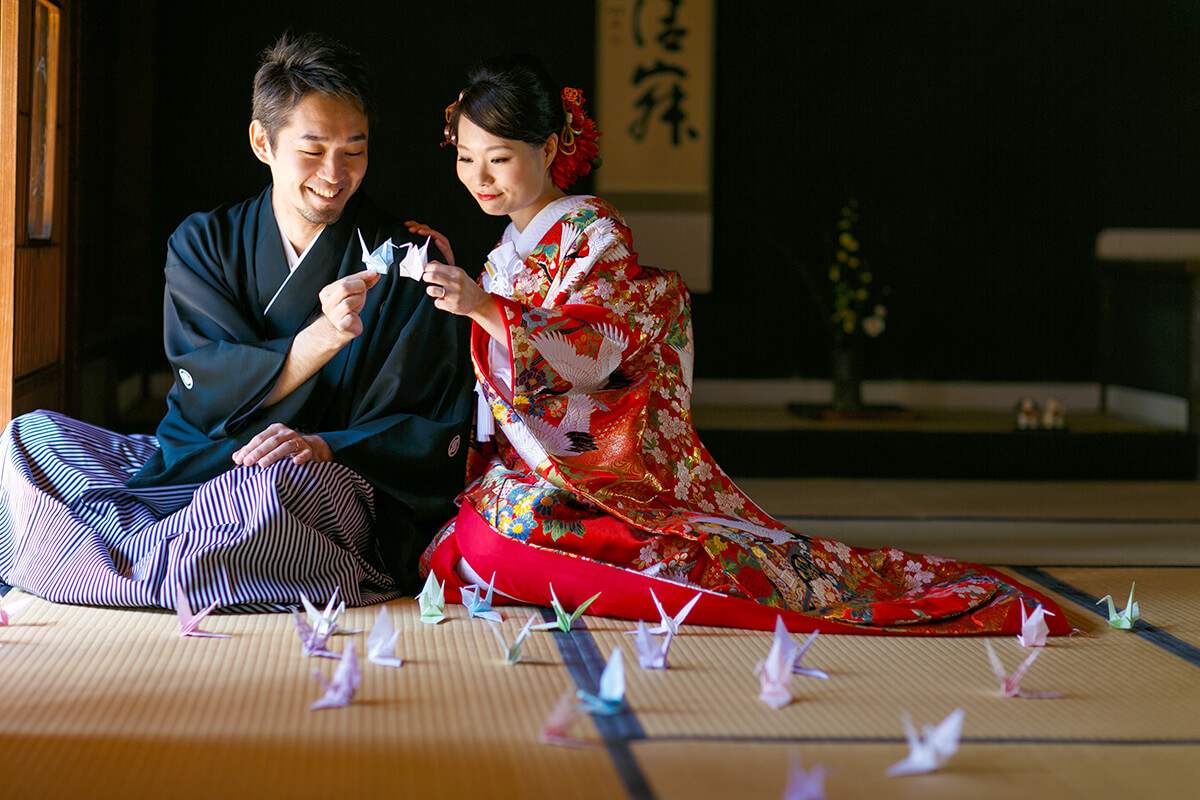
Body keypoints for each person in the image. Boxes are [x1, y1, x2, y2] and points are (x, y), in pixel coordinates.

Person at [412, 54, 1066, 634]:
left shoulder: (594, 231)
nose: (480, 177)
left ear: (551, 148)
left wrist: (483, 308)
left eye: (499, 158)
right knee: (458, 541)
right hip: (543, 464)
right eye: (467, 159)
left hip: (604, 476)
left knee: (494, 544)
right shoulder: (506, 252)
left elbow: (594, 354)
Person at [0, 33, 473, 611]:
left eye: (354, 149)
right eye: (313, 147)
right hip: (198, 459)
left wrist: (322, 446)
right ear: (262, 142)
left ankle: (116, 563)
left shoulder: (407, 261)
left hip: (310, 477)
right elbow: (204, 386)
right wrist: (321, 339)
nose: (335, 172)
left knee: (266, 499)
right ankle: (172, 557)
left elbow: (430, 423)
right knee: (29, 439)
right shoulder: (204, 242)